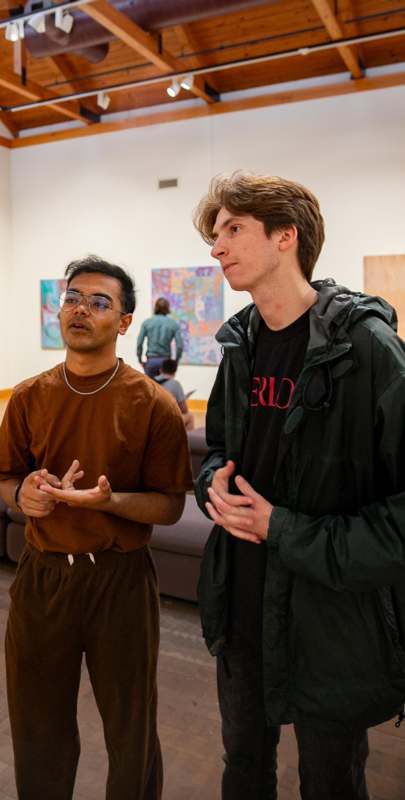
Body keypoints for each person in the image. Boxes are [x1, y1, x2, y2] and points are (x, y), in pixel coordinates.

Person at [192, 171, 405, 800]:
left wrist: (280, 527)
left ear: (286, 236)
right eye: (214, 233)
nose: (217, 246)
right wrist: (214, 485)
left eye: (232, 229)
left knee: (331, 782)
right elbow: (219, 452)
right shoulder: (240, 347)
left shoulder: (367, 349)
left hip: (330, 622)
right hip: (242, 607)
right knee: (244, 768)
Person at [0, 255, 192, 800]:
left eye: (100, 302)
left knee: (131, 731)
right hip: (42, 579)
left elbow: (170, 506)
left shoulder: (153, 404)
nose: (81, 310)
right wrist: (24, 495)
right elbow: (7, 479)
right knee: (37, 726)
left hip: (119, 582)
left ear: (125, 322)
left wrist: (108, 501)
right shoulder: (29, 395)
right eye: (73, 298)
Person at [137, 297, 183, 378]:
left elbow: (139, 343)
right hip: (166, 362)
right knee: (164, 389)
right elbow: (179, 346)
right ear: (167, 308)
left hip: (151, 361)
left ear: (156, 308)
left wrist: (140, 359)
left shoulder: (147, 323)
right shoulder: (173, 324)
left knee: (150, 389)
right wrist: (176, 361)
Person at [154, 358, 195, 431]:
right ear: (175, 372)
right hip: (164, 422)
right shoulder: (175, 384)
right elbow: (184, 409)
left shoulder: (150, 380)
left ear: (161, 370)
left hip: (151, 420)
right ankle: (187, 441)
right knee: (190, 416)